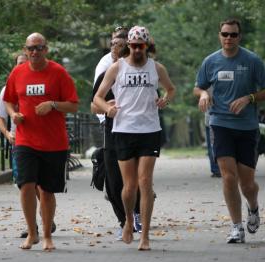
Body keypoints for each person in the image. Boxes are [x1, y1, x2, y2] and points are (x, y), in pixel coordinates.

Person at [193, 19, 265, 244]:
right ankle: (236, 227)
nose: (229, 38)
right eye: (225, 34)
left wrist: (249, 98)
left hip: (247, 127)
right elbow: (198, 86)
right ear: (219, 35)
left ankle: (254, 207)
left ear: (240, 36)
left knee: (247, 184)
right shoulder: (210, 61)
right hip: (220, 124)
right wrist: (203, 94)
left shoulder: (252, 61)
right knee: (228, 177)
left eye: (233, 35)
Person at [94, 25, 176, 250]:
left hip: (149, 131)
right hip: (123, 131)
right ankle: (129, 220)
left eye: (141, 46)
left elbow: (170, 89)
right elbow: (98, 97)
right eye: (134, 46)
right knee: (129, 186)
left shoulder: (156, 68)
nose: (138, 50)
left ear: (147, 46)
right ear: (128, 46)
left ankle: (145, 235)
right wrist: (107, 109)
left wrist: (164, 100)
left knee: (145, 182)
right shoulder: (116, 68)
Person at [4, 32, 79, 251]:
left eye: (38, 48)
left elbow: (73, 105)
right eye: (30, 48)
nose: (34, 52)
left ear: (46, 50)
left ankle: (47, 236)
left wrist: (53, 105)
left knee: (47, 191)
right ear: (25, 51)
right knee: (26, 186)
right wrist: (13, 115)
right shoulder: (18, 72)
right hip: (25, 140)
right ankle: (32, 233)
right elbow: (9, 100)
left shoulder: (58, 73)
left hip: (54, 142)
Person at [0, 53, 56, 239]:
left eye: (25, 63)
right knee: (26, 184)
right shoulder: (7, 90)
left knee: (40, 184)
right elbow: (0, 117)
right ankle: (34, 227)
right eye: (19, 64)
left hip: (43, 141)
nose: (22, 66)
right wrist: (7, 133)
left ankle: (44, 220)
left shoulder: (41, 84)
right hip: (20, 143)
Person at [92, 29, 142, 241]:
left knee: (135, 180)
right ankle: (124, 221)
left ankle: (136, 219)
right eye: (113, 46)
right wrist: (106, 108)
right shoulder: (106, 73)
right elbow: (94, 105)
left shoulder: (141, 71)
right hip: (112, 131)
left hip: (137, 132)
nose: (116, 50)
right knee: (113, 182)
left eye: (121, 47)